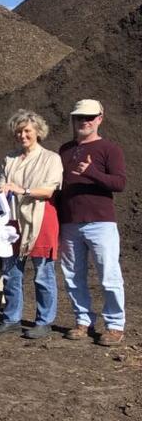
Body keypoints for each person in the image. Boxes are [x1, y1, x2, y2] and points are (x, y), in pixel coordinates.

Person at [59, 99, 127, 346]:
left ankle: (115, 325)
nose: (84, 122)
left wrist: (92, 172)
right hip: (69, 223)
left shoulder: (110, 149)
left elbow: (119, 183)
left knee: (108, 275)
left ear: (100, 118)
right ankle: (83, 321)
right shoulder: (64, 149)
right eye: (79, 117)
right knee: (72, 276)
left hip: (101, 222)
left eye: (89, 117)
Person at [0, 110, 64, 340]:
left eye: (27, 131)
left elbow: (48, 190)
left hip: (41, 219)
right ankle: (12, 318)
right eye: (19, 131)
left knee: (42, 273)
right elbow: (3, 183)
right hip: (14, 220)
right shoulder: (10, 159)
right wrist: (3, 188)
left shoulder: (51, 158)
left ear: (37, 132)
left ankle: (44, 321)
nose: (22, 135)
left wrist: (21, 190)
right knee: (11, 273)